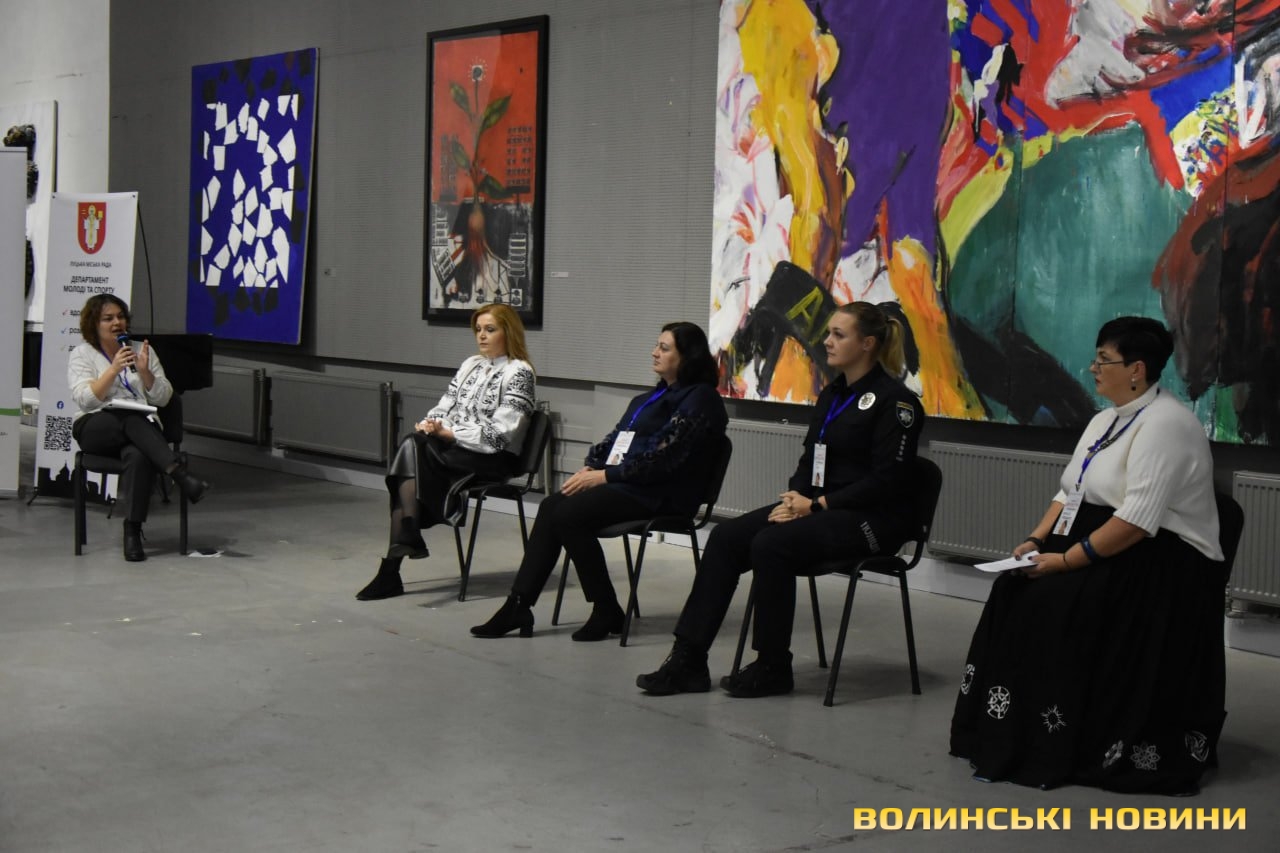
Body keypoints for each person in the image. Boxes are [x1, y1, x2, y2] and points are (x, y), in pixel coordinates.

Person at [950, 317, 1227, 795]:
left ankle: (1054, 739)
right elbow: (1069, 491)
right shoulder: (1105, 419)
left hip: (1163, 558)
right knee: (1013, 587)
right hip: (1109, 541)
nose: (1092, 368)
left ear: (1137, 369)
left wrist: (1065, 561)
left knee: (1052, 602)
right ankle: (1006, 730)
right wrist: (1036, 540)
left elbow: (1137, 521)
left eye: (1104, 360)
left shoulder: (1167, 424)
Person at [637, 302, 925, 696]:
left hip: (872, 520)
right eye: (829, 332)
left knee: (771, 545)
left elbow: (887, 480)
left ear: (867, 344)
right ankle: (689, 659)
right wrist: (795, 498)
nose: (827, 341)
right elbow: (811, 459)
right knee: (726, 538)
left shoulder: (897, 403)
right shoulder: (833, 394)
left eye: (838, 335)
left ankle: (773, 665)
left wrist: (818, 505)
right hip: (818, 510)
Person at [470, 321, 728, 641]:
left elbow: (666, 461)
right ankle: (519, 604)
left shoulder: (701, 400)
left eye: (664, 348)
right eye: (656, 345)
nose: (654, 352)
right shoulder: (651, 397)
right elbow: (615, 441)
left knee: (568, 514)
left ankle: (605, 608)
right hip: (628, 485)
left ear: (687, 356)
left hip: (664, 494)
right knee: (551, 506)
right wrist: (590, 468)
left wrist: (604, 476)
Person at [356, 304, 536, 600]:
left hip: (493, 458)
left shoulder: (519, 372)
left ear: (509, 332)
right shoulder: (471, 364)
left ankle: (399, 555)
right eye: (478, 330)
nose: (481, 336)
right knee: (415, 443)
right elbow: (446, 405)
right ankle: (404, 541)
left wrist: (450, 434)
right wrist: (433, 424)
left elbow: (499, 435)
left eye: (490, 330)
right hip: (458, 449)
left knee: (412, 451)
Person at [68, 294, 210, 562]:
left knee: (138, 455)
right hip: (95, 427)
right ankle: (178, 475)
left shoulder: (142, 350)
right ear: (94, 324)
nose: (117, 323)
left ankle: (132, 530)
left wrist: (145, 373)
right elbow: (86, 400)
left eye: (120, 317)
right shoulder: (82, 354)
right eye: (108, 318)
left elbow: (164, 398)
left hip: (139, 432)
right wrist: (113, 370)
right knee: (129, 417)